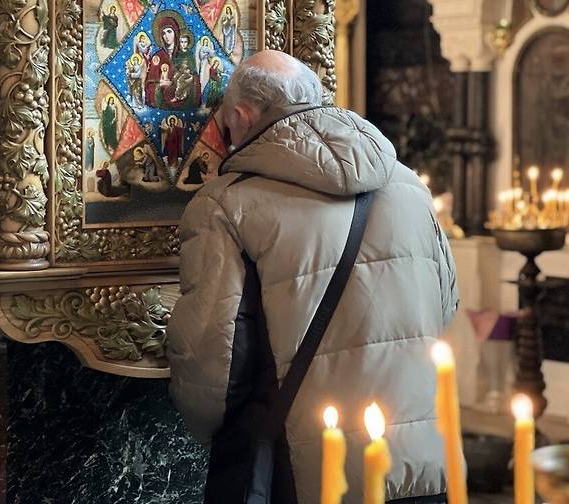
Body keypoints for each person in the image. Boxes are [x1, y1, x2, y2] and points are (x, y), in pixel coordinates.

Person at [167, 50, 458, 504]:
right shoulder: (407, 184)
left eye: (226, 127)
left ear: (241, 116)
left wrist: (210, 435)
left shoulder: (224, 204)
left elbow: (213, 366)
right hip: (417, 465)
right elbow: (444, 306)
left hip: (304, 470)